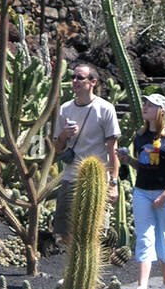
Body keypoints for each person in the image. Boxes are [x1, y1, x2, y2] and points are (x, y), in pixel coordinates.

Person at [116, 94, 165, 289]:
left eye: (149, 105)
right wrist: (128, 161)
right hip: (143, 192)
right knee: (144, 237)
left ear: (161, 111)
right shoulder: (141, 136)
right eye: (144, 103)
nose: (144, 107)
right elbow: (143, 166)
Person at [50, 62, 120, 246]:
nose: (74, 81)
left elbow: (113, 150)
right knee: (64, 233)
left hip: (95, 181)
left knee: (94, 234)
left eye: (80, 78)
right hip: (71, 176)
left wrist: (113, 183)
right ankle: (72, 272)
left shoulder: (105, 109)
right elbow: (58, 148)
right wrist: (64, 135)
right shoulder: (65, 109)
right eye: (73, 77)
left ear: (93, 82)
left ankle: (88, 273)